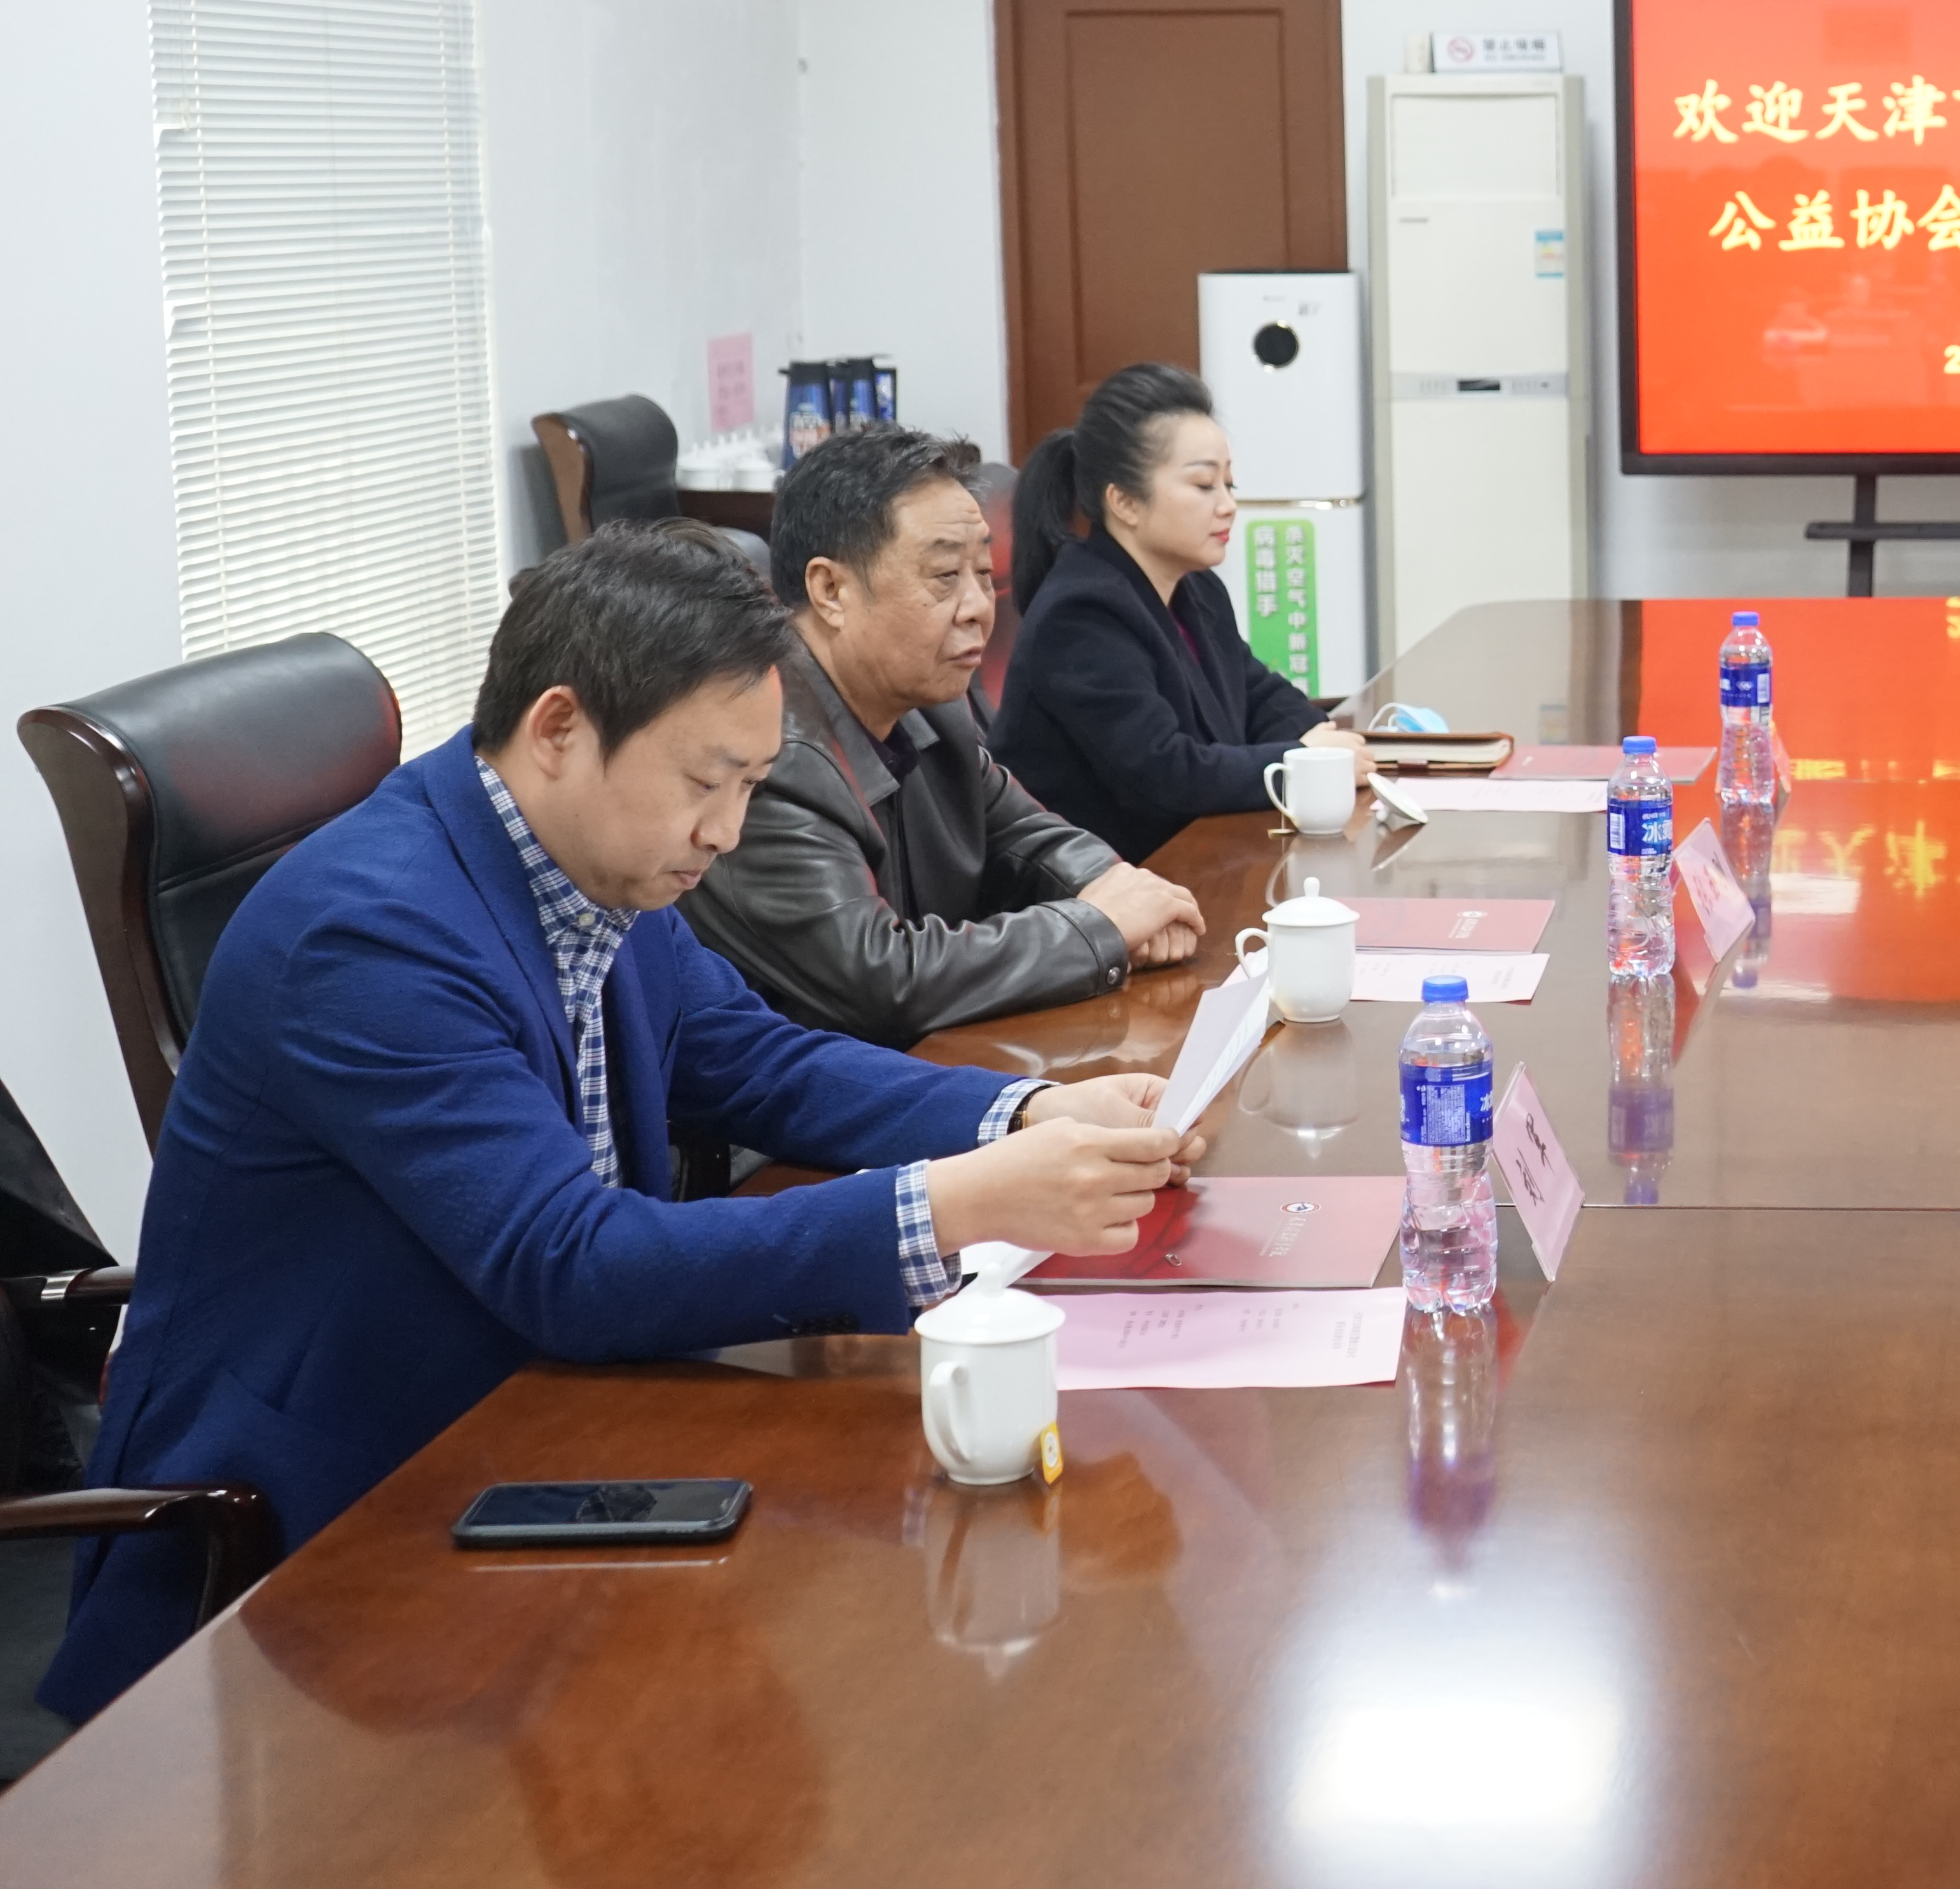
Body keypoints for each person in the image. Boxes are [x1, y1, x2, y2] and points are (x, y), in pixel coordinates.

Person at [45, 526, 1203, 1720]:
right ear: (558, 729)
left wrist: (1023, 1109)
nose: (729, 831)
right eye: (707, 784)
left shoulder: (585, 856)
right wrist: (955, 1202)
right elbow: (569, 1262)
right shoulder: (370, 937)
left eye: (751, 786)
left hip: (553, 1427)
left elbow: (750, 1057)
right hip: (331, 1540)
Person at [679, 424, 1206, 1043]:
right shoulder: (770, 755)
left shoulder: (929, 705)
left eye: (982, 572)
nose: (980, 606)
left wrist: (1118, 889)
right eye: (945, 575)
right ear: (830, 590)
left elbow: (1026, 836)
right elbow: (881, 980)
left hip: (929, 1062)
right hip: (812, 1092)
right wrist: (1100, 928)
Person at [991, 362, 1366, 863]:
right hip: (1090, 886)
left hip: (1187, 857)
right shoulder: (1081, 615)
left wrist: (1330, 747)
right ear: (1125, 502)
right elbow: (1167, 776)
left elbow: (1257, 694)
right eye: (1204, 485)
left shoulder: (1196, 588)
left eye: (1229, 484)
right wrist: (1303, 762)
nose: (1228, 505)